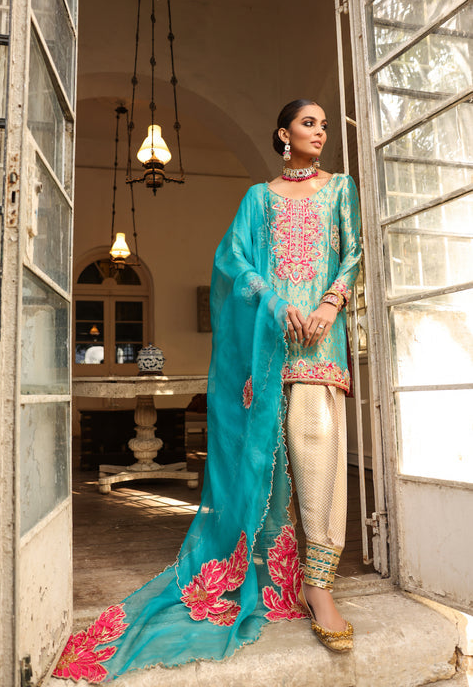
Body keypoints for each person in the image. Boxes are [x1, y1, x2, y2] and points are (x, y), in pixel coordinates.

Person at [54, 99, 361, 683]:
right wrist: (274, 304)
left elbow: (353, 253)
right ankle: (275, 577)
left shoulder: (340, 189)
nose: (320, 132)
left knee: (319, 457)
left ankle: (320, 586)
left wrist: (328, 304)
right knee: (267, 465)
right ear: (283, 133)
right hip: (269, 347)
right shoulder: (258, 198)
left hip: (320, 346)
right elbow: (233, 260)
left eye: (324, 124)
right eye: (309, 123)